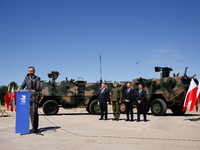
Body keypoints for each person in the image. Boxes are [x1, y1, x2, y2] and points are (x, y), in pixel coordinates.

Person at [20, 66, 41, 133]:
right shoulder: (26, 79)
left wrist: (33, 90)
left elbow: (37, 88)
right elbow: (22, 86)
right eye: (29, 71)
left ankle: (35, 128)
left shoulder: (37, 78)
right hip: (28, 97)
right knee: (30, 113)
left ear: (34, 71)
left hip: (35, 97)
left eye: (31, 71)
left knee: (34, 112)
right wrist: (19, 89)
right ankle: (30, 128)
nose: (30, 72)